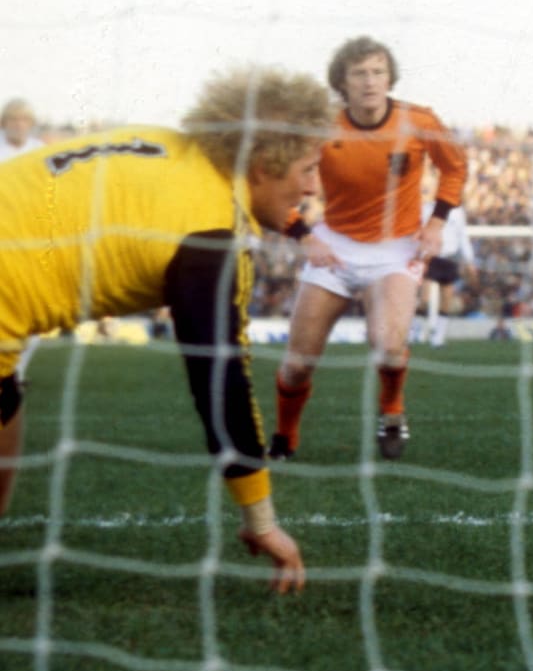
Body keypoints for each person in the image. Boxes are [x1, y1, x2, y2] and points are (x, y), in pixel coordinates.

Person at [0, 67, 327, 593]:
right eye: (308, 169)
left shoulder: (166, 144)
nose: (313, 187)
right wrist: (261, 520)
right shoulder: (210, 231)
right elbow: (220, 382)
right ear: (264, 163)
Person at [272, 36, 468, 461]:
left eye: (378, 71)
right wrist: (305, 236)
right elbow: (276, 181)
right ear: (341, 82)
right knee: (298, 364)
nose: (370, 81)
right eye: (359, 73)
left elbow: (455, 167)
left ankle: (392, 411)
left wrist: (436, 222)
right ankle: (285, 436)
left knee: (388, 344)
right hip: (335, 246)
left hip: (397, 250)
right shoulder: (321, 126)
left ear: (390, 77)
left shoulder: (418, 120)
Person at [2, 99, 52, 379]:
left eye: (24, 119)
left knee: (33, 309)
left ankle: (17, 373)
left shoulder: (40, 152)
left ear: (31, 123)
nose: (18, 124)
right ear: (4, 122)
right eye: (13, 119)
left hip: (29, 241)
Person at [412, 189, 477, 348]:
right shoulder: (427, 208)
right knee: (424, 299)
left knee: (446, 300)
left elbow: (462, 236)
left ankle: (438, 338)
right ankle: (414, 331)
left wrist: (469, 260)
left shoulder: (458, 212)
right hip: (431, 258)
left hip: (449, 258)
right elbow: (420, 232)